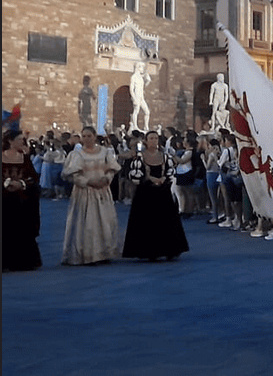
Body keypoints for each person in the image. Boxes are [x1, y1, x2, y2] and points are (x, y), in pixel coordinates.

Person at [122, 130, 189, 260]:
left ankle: (170, 249)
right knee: (148, 222)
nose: (154, 140)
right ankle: (149, 251)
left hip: (162, 193)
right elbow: (134, 174)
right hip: (145, 194)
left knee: (166, 221)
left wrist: (164, 179)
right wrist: (149, 179)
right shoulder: (140, 157)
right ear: (146, 141)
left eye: (155, 138)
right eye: (151, 138)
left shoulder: (165, 156)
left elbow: (171, 171)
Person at [61, 126, 120, 265]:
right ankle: (87, 254)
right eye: (84, 136)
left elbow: (112, 168)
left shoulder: (105, 152)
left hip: (102, 191)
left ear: (94, 136)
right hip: (85, 192)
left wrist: (106, 179)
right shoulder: (77, 155)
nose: (86, 139)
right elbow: (72, 175)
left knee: (105, 222)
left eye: (89, 136)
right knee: (86, 223)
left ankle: (103, 253)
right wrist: (88, 181)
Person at [2, 129, 42, 271]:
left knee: (21, 229)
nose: (22, 142)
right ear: (10, 141)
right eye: (19, 139)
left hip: (22, 201)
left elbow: (33, 177)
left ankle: (22, 261)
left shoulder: (25, 159)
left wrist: (21, 184)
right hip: (4, 200)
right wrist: (6, 183)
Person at [129, 63, 151, 133]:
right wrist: (134, 98)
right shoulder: (134, 77)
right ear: (138, 68)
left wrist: (148, 80)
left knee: (147, 112)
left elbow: (145, 85)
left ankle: (146, 127)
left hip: (142, 97)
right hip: (137, 96)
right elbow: (131, 89)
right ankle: (135, 126)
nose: (142, 69)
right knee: (136, 111)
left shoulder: (141, 77)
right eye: (141, 68)